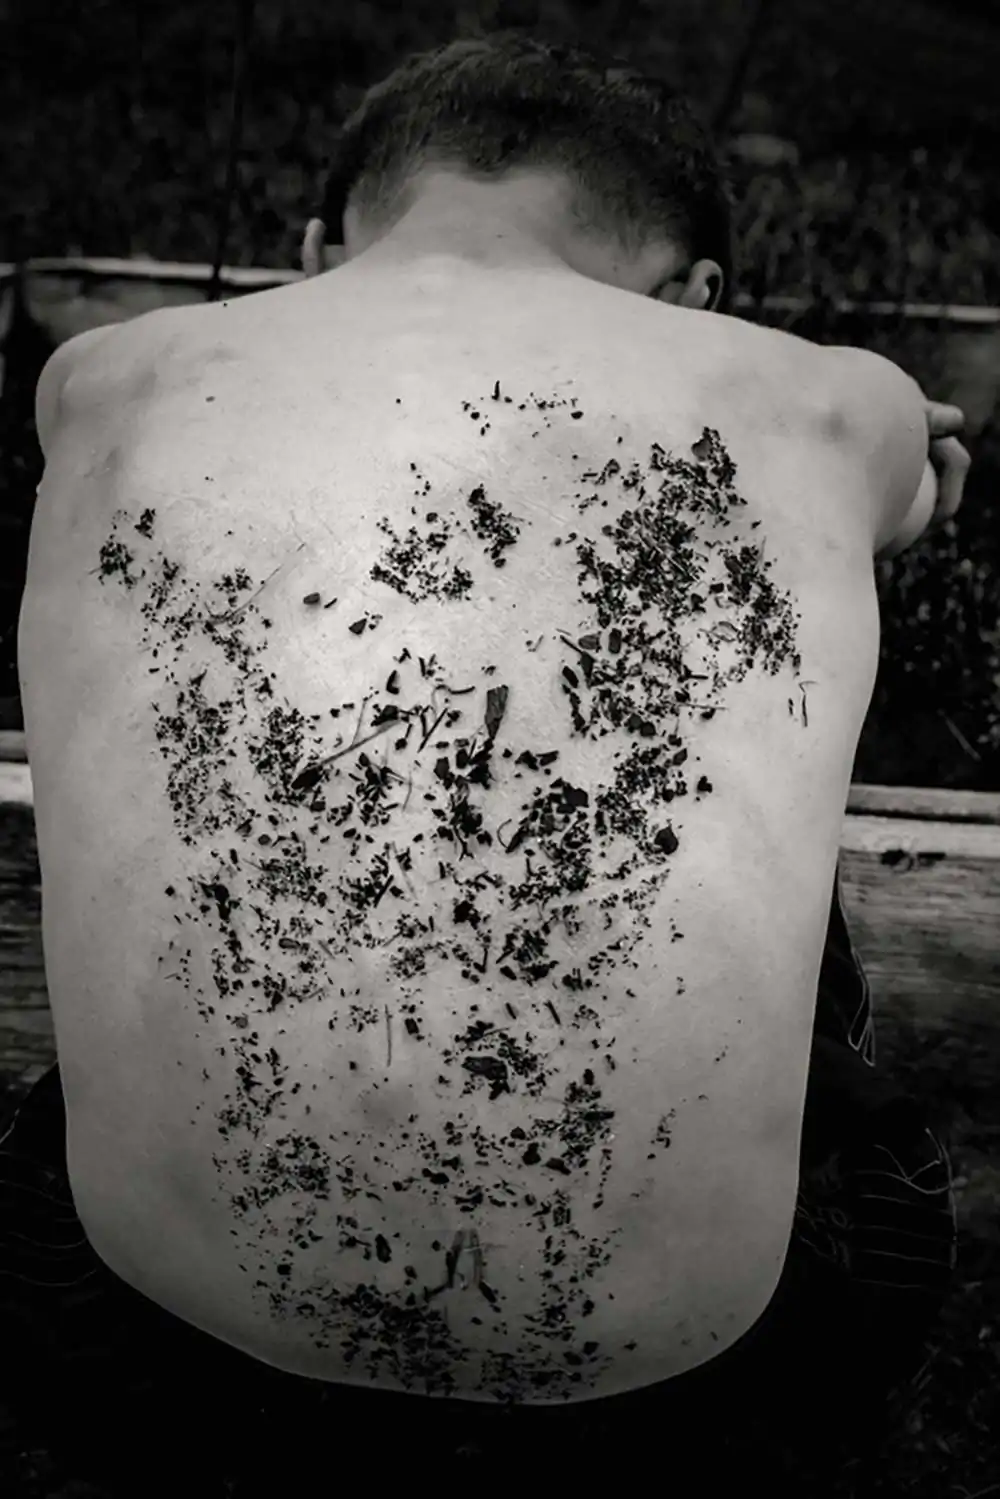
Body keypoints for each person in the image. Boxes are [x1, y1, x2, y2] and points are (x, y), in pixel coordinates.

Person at [3, 28, 966, 1493]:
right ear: (700, 298)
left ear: (316, 251)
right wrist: (875, 488)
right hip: (694, 1372)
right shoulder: (831, 399)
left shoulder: (99, 383)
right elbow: (912, 486)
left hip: (145, 1328)